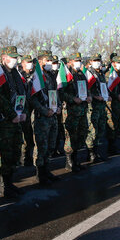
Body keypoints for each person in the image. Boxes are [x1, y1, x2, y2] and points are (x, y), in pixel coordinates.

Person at [0, 46, 27, 198]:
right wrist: (12, 114)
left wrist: (23, 111)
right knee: (4, 153)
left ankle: (10, 182)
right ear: (3, 57)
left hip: (16, 119)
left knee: (14, 151)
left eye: (15, 57)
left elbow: (21, 94)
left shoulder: (15, 74)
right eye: (11, 57)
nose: (14, 60)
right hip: (4, 120)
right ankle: (3, 184)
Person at [29, 50, 61, 185]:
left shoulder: (51, 76)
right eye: (47, 60)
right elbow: (32, 99)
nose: (50, 63)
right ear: (40, 61)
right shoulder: (36, 76)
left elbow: (55, 93)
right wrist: (43, 110)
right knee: (41, 146)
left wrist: (58, 106)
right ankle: (40, 173)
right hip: (41, 117)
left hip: (52, 116)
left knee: (50, 145)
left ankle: (47, 170)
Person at [61, 52, 91, 172]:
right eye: (76, 60)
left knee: (81, 134)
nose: (79, 62)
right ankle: (69, 162)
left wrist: (89, 96)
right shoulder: (67, 75)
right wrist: (73, 99)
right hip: (71, 111)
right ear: (71, 61)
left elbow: (86, 88)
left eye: (80, 60)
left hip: (82, 110)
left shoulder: (81, 74)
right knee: (71, 136)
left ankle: (76, 159)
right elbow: (61, 92)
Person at [19, 55, 35, 166]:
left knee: (30, 133)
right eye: (27, 62)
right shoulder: (19, 76)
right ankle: (23, 156)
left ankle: (29, 154)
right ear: (23, 63)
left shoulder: (35, 75)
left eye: (31, 62)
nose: (30, 64)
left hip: (33, 108)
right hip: (23, 108)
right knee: (24, 133)